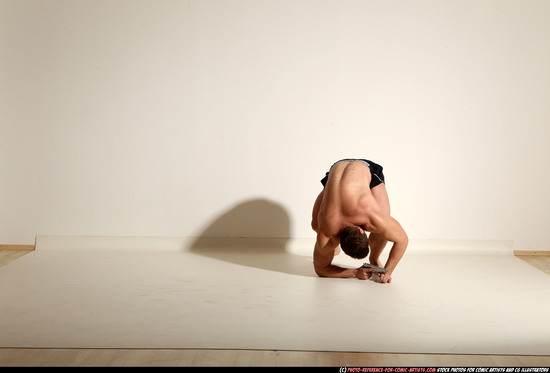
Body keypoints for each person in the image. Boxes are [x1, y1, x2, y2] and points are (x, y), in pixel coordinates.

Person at [311, 159, 408, 283]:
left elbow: (402, 240)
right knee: (316, 225)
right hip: (341, 170)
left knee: (383, 225)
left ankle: (374, 257)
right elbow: (319, 269)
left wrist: (387, 271)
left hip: (352, 168)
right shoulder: (327, 233)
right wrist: (354, 272)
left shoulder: (371, 217)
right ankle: (333, 250)